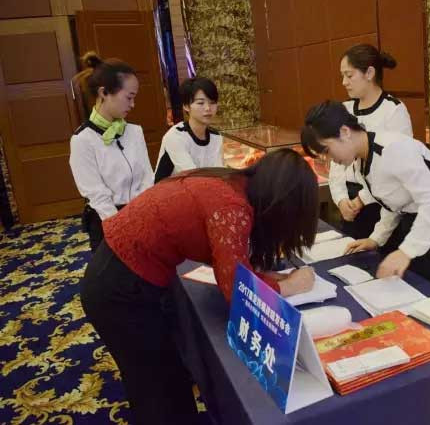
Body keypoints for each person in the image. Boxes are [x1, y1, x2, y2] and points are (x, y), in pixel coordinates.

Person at [80, 149, 318, 425]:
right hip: (119, 290)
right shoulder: (231, 206)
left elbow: (229, 260)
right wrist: (292, 286)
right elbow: (237, 291)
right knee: (156, 384)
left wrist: (270, 278)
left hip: (119, 274)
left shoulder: (231, 183)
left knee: (163, 374)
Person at [302, 101, 430, 303]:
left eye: (326, 150)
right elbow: (393, 201)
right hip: (416, 224)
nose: (329, 159)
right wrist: (376, 239)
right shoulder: (361, 159)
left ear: (345, 132)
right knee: (420, 299)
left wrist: (406, 252)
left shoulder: (393, 149)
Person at [69, 56, 153, 252]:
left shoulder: (135, 131)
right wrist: (121, 227)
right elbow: (96, 194)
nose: (133, 104)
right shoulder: (83, 140)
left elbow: (147, 177)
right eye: (129, 97)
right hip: (107, 221)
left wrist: (144, 215)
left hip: (141, 214)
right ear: (104, 93)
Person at [331, 44, 413, 240]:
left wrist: (362, 199)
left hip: (381, 206)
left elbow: (397, 172)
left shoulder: (393, 110)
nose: (344, 82)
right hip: (349, 204)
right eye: (342, 76)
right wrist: (341, 199)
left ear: (369, 73)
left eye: (349, 75)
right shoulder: (344, 108)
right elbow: (337, 162)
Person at [154, 77, 223, 183]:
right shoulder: (175, 136)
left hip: (201, 188)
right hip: (168, 190)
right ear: (186, 106)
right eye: (200, 103)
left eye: (212, 102)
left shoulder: (216, 137)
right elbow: (192, 177)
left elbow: (219, 173)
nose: (208, 108)